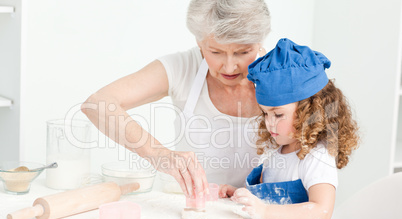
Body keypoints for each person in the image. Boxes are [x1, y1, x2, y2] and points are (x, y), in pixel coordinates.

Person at [81, 0, 271, 198]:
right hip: (188, 207)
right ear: (199, 42)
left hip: (260, 211)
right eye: (216, 52)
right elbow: (97, 104)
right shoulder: (183, 67)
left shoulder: (284, 73)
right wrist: (159, 154)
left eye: (243, 52)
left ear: (260, 42)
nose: (230, 67)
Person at [219, 38, 360, 219]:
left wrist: (264, 212)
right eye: (265, 113)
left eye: (277, 114)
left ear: (309, 111)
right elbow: (270, 199)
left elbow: (322, 212)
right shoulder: (278, 151)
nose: (269, 123)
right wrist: (243, 197)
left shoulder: (316, 156)